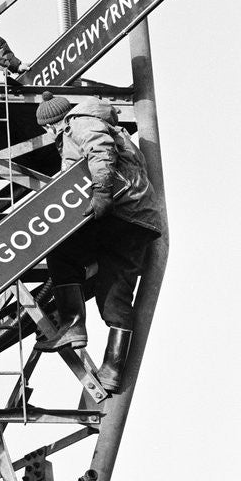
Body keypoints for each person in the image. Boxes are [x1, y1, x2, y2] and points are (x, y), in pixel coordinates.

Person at [34, 93, 162, 394]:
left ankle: (73, 324)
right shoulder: (105, 124)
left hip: (118, 211)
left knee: (61, 250)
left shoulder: (78, 123)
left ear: (52, 124)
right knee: (115, 294)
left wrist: (101, 191)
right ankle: (112, 370)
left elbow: (99, 151)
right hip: (139, 220)